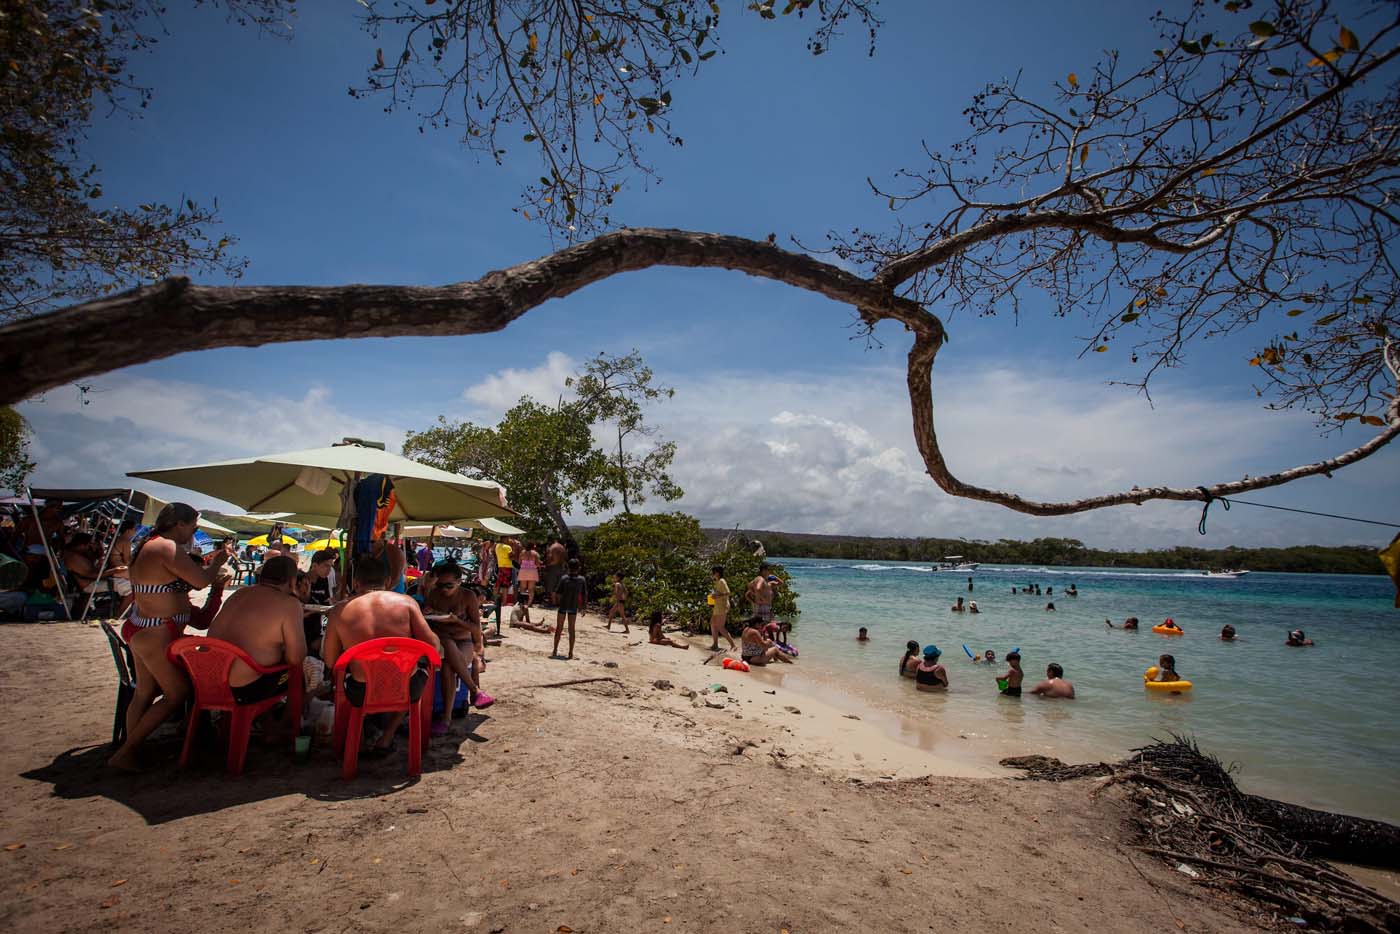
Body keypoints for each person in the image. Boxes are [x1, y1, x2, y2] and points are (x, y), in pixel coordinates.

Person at [107, 503, 231, 771]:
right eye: (194, 527)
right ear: (180, 525)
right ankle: (127, 752)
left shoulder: (149, 545)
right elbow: (199, 580)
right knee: (177, 693)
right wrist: (218, 563)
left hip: (143, 626)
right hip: (156, 632)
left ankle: (133, 748)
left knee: (145, 692)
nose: (194, 532)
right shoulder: (165, 546)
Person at [323, 555, 443, 756]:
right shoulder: (407, 603)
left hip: (360, 692)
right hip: (405, 688)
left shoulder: (339, 611)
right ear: (388, 582)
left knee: (349, 679)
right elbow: (432, 647)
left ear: (355, 582)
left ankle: (358, 736)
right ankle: (387, 736)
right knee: (418, 674)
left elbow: (330, 661)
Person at [207, 555, 306, 723]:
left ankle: (260, 725)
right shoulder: (289, 604)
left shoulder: (239, 594)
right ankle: (285, 729)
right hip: (243, 690)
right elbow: (296, 657)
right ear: (292, 581)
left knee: (259, 667)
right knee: (299, 674)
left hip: (207, 682)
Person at [420, 563, 495, 734]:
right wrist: (426, 612)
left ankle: (446, 719)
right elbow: (427, 622)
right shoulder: (434, 594)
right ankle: (475, 691)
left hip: (463, 640)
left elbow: (476, 628)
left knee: (448, 665)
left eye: (449, 585)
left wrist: (456, 620)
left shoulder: (468, 597)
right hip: (443, 638)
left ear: (459, 582)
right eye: (440, 585)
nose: (444, 589)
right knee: (446, 644)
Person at [552, 558, 587, 660]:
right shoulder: (582, 580)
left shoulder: (564, 578)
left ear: (568, 567)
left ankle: (555, 650)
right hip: (573, 606)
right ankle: (570, 652)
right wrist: (583, 607)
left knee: (559, 628)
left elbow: (558, 593)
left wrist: (557, 602)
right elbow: (584, 594)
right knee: (572, 630)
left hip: (563, 606)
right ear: (579, 568)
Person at [708, 565, 735, 652]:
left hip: (722, 606)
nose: (713, 574)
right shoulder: (718, 581)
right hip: (717, 606)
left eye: (713, 572)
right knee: (712, 623)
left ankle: (733, 645)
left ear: (717, 573)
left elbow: (728, 592)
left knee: (720, 627)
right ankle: (715, 644)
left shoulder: (722, 581)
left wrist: (717, 595)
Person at [516, 541, 541, 612]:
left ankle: (523, 603)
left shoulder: (522, 553)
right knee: (531, 589)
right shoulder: (535, 553)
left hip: (523, 570)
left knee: (522, 588)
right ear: (533, 546)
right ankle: (529, 604)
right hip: (532, 571)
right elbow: (538, 564)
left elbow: (519, 562)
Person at [543, 538, 567, 607]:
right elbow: (565, 558)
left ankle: (553, 602)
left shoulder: (552, 547)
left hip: (553, 568)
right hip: (562, 568)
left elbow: (550, 558)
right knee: (559, 586)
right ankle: (559, 602)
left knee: (552, 586)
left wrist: (546, 565)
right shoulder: (563, 548)